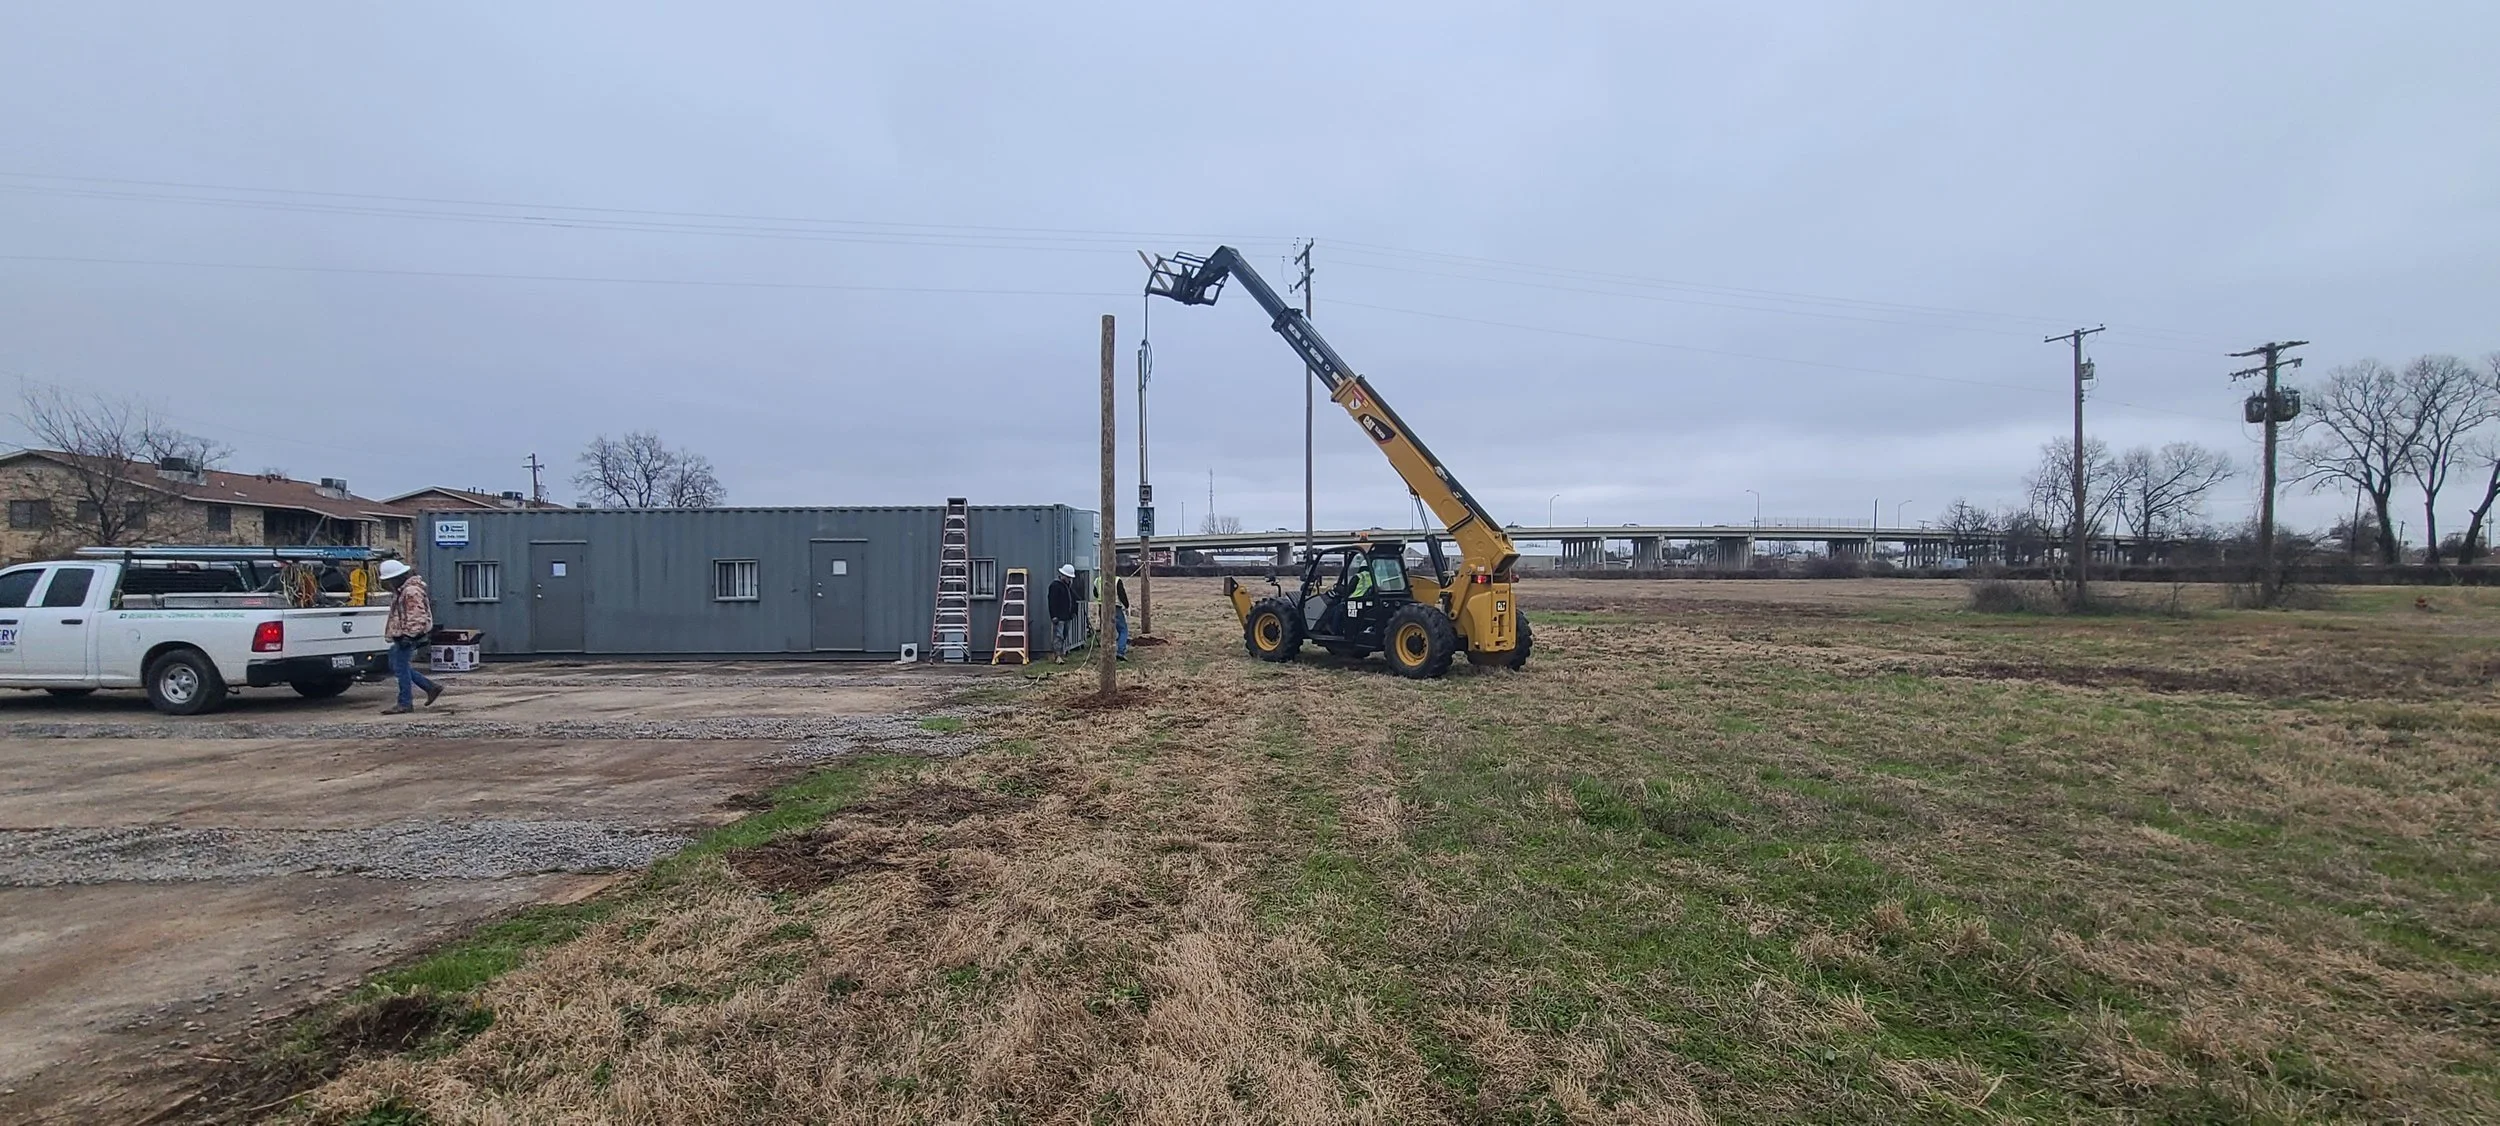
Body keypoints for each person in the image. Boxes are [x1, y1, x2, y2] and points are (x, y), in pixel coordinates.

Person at [378, 559, 444, 714]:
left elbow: (417, 615)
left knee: (400, 668)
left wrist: (410, 635)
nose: (388, 584)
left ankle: (405, 703)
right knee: (398, 665)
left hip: (407, 636)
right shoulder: (405, 590)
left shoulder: (410, 592)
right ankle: (430, 687)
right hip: (403, 635)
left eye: (389, 580)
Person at [1046, 563, 1079, 663]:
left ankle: (1060, 653)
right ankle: (1057, 655)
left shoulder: (1068, 587)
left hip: (1067, 616)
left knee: (1063, 635)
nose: (1069, 579)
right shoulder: (1055, 586)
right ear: (1063, 576)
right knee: (1058, 636)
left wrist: (1073, 612)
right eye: (1068, 577)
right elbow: (1052, 602)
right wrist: (1054, 615)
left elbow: (1073, 600)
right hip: (1059, 617)